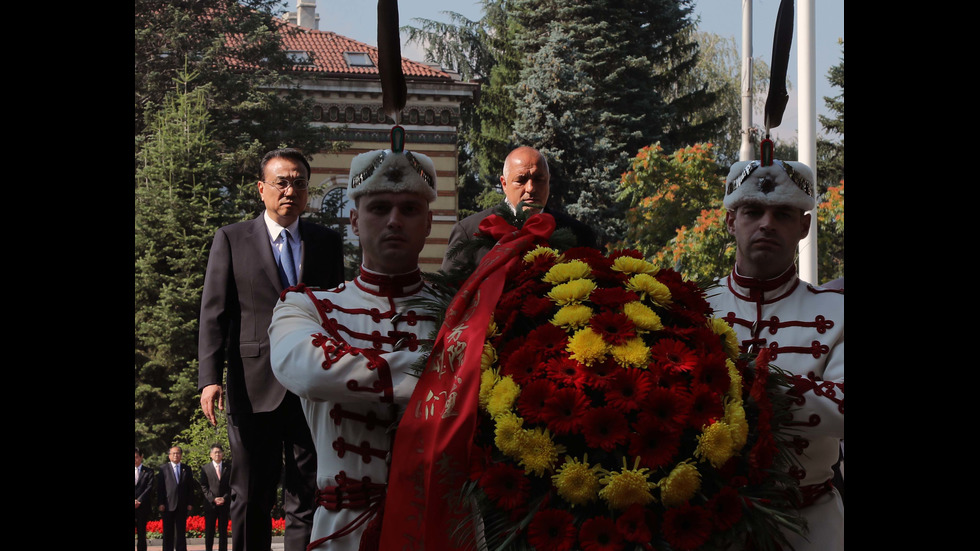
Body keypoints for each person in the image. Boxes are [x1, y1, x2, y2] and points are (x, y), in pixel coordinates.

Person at [268, 142, 441, 551]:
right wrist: (440, 374)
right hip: (343, 533)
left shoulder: (459, 310)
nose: (394, 220)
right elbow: (305, 368)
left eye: (409, 209)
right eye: (379, 208)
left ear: (429, 223)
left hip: (439, 527)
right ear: (354, 220)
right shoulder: (304, 305)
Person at [198, 147, 347, 551]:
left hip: (311, 388)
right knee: (250, 495)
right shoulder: (231, 239)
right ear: (261, 189)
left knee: (305, 497)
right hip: (252, 387)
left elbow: (338, 314)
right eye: (281, 182)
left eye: (299, 183)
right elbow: (215, 313)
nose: (290, 191)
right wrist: (209, 380)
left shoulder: (326, 242)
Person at [707, 158, 844, 550]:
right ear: (732, 221)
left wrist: (757, 384)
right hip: (710, 527)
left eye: (783, 213)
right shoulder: (693, 306)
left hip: (810, 527)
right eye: (753, 211)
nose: (766, 223)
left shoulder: (838, 312)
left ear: (803, 227)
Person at [441, 146, 597, 272]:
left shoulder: (579, 235)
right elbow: (446, 298)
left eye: (539, 179)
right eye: (521, 180)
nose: (531, 188)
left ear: (548, 181)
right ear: (504, 184)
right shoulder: (469, 232)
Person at [157, 446, 195, 551]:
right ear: (169, 456)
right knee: (168, 532)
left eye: (178, 453)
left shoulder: (186, 468)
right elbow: (160, 488)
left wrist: (190, 502)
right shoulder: (163, 469)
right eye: (173, 453)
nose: (175, 455)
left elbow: (190, 487)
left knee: (180, 532)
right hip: (168, 505)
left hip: (182, 505)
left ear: (181, 455)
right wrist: (160, 503)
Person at [198, 444, 232, 551]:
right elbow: (204, 486)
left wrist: (225, 498)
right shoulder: (205, 468)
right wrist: (213, 499)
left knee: (223, 531)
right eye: (215, 452)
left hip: (224, 504)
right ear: (211, 455)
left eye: (219, 452)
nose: (217, 454)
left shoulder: (229, 468)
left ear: (223, 454)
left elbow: (232, 485)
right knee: (209, 531)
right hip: (211, 505)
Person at [135, 447, 155, 551]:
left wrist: (139, 500)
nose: (135, 460)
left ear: (141, 457)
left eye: (136, 457)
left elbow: (149, 487)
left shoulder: (148, 471)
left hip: (142, 506)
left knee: (141, 532)